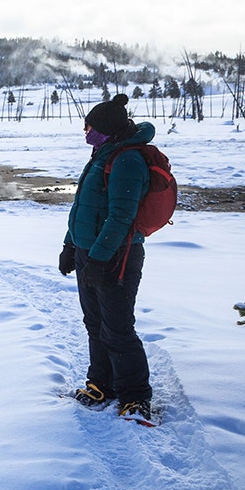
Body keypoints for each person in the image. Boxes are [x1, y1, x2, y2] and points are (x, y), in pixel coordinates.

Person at [59, 94, 155, 424]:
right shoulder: (102, 154)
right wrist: (71, 245)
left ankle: (136, 396)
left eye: (89, 126)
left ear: (105, 129)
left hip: (118, 258)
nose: (85, 130)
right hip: (92, 254)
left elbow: (120, 218)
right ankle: (101, 384)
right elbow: (83, 209)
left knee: (117, 329)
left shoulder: (127, 161)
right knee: (95, 324)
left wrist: (99, 259)